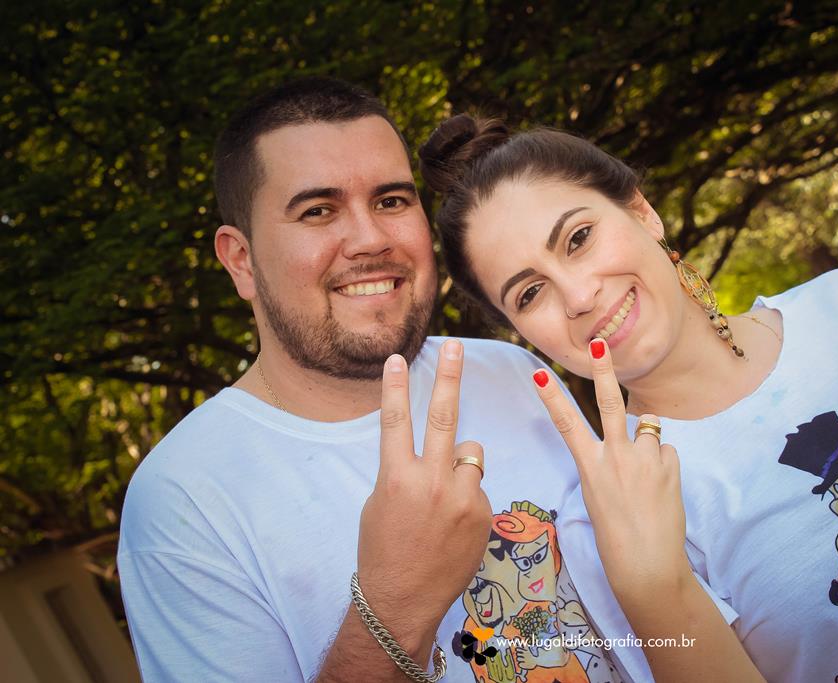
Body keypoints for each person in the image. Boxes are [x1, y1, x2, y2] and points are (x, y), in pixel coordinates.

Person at [418, 113, 838, 683]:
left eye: (578, 238)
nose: (578, 295)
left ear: (642, 211)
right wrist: (653, 584)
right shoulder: (602, 519)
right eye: (529, 294)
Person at [116, 79, 629, 683]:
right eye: (318, 211)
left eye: (390, 201)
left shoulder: (511, 372)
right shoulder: (184, 500)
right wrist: (394, 601)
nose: (370, 240)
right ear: (241, 261)